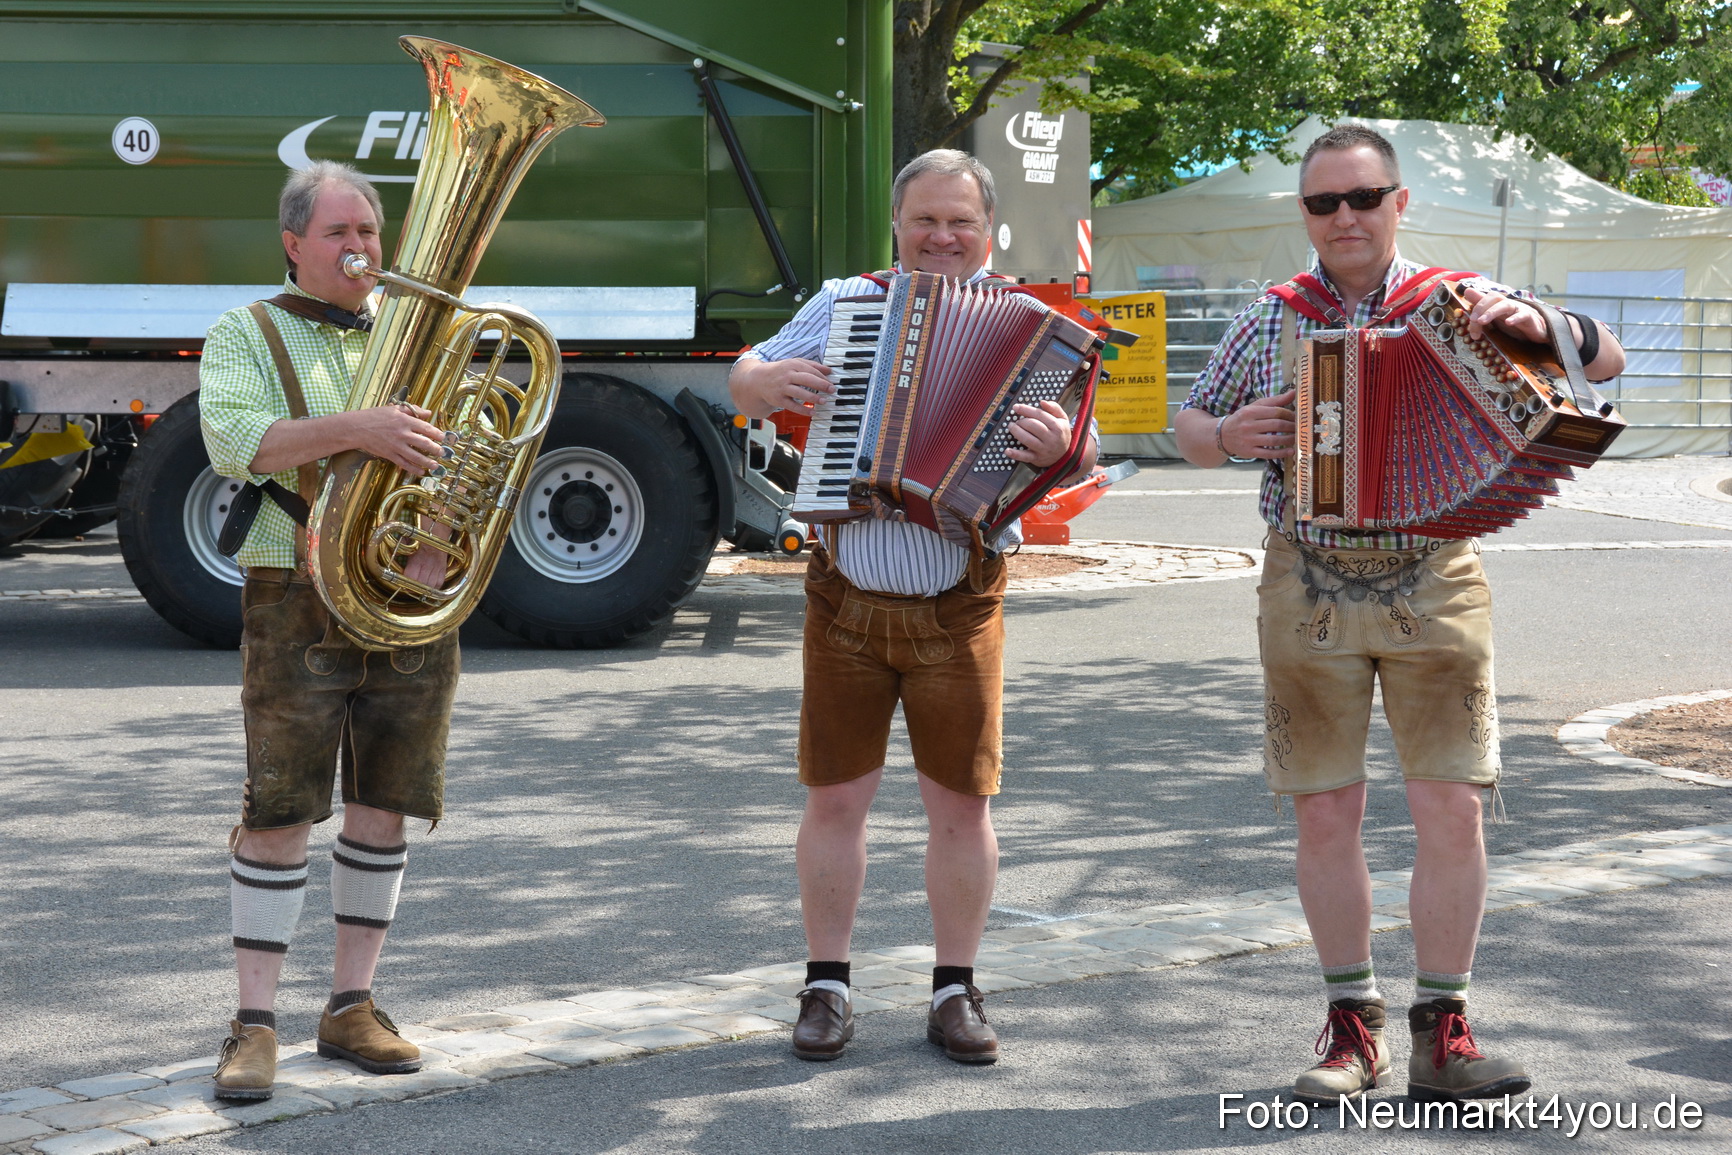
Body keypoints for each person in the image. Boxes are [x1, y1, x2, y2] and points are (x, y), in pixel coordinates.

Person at [1178, 124, 1625, 1104]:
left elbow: (1609, 360)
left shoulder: (1460, 306)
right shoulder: (1269, 317)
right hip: (1306, 579)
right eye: (1321, 203)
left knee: (1451, 807)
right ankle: (1352, 1029)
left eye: (1362, 197)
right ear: (1303, 214)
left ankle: (1443, 1031)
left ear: (1399, 202)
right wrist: (1223, 431)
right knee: (1326, 811)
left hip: (1435, 573)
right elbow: (1189, 422)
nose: (1343, 217)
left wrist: (1550, 323)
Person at [729, 149, 1097, 1064]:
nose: (942, 237)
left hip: (959, 601)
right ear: (897, 225)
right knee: (835, 800)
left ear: (988, 229)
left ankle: (955, 989)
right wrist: (761, 385)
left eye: (960, 222)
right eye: (925, 220)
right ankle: (825, 986)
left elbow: (1085, 460)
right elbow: (745, 372)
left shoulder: (1033, 330)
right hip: (845, 595)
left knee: (961, 809)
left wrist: (1065, 445)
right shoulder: (846, 303)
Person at [199, 160, 459, 1101]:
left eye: (371, 233)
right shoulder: (246, 329)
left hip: (407, 588)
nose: (361, 250)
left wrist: (441, 539)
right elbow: (236, 440)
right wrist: (364, 427)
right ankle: (255, 1021)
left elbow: (463, 453)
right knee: (279, 807)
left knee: (385, 800)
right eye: (341, 233)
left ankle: (353, 1003)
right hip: (291, 584)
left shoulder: (415, 328)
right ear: (294, 243)